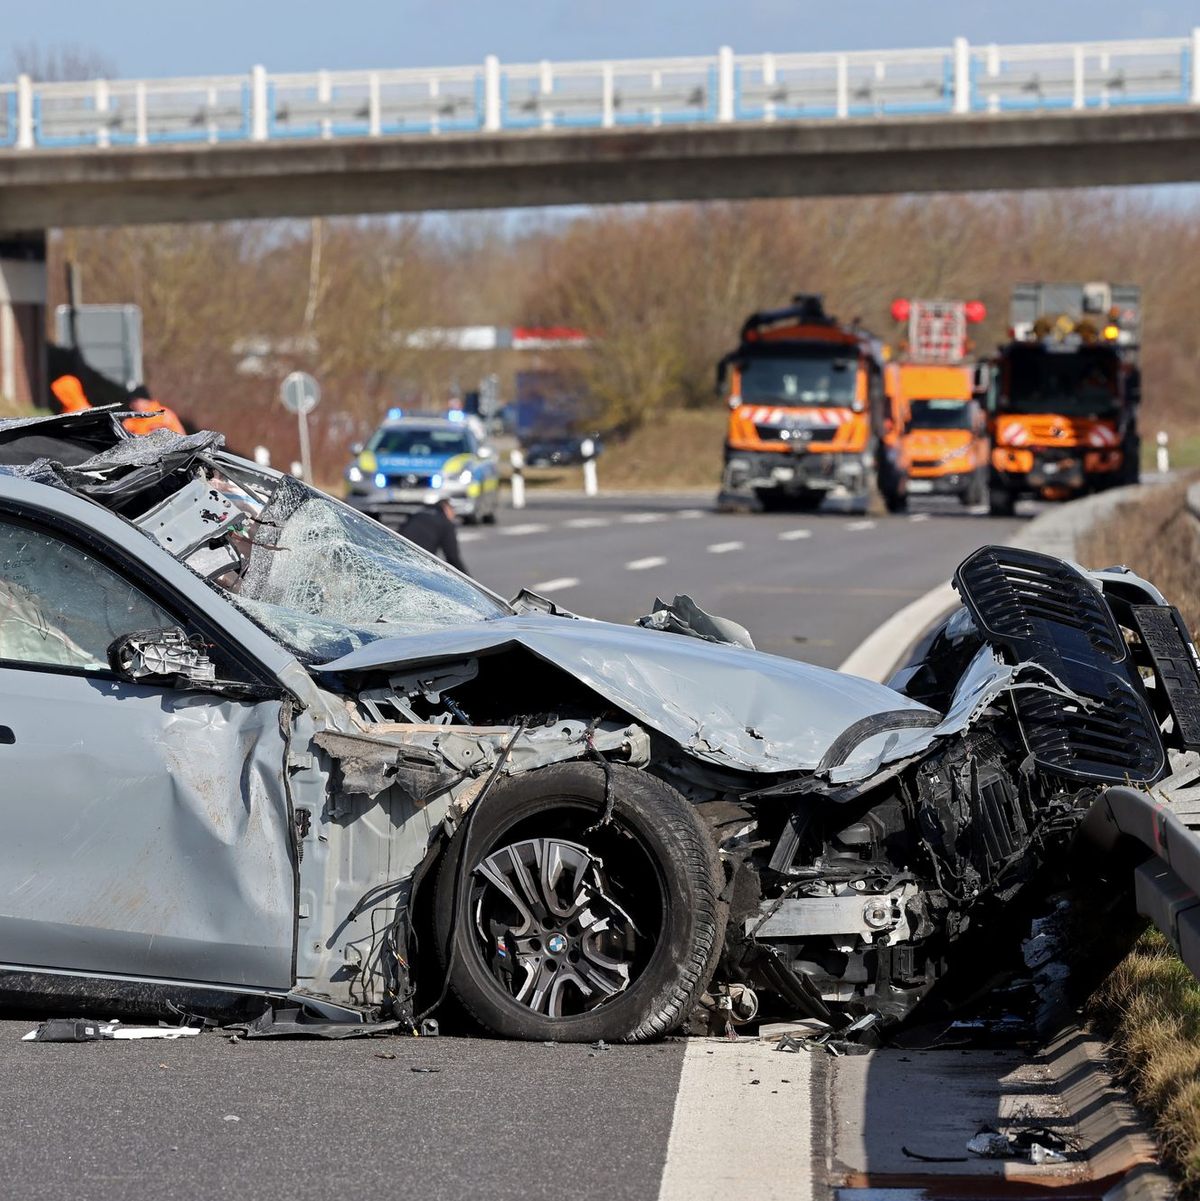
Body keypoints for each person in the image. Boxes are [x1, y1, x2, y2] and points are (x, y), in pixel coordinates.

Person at [400, 497, 469, 574]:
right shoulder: (445, 522)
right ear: (447, 508)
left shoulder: (415, 515)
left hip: (398, 557)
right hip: (420, 564)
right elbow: (452, 557)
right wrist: (469, 581)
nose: (453, 515)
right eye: (453, 511)